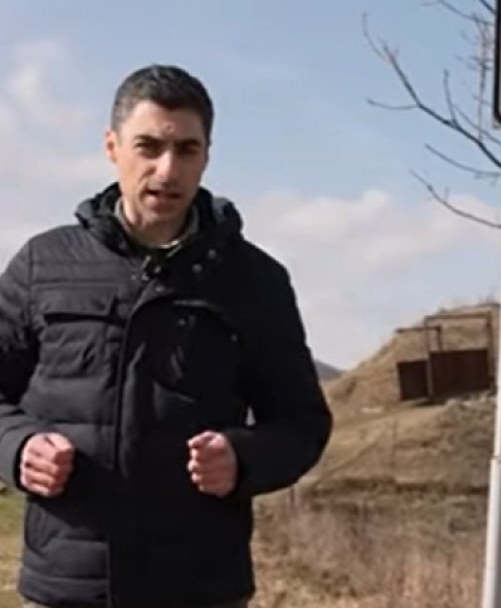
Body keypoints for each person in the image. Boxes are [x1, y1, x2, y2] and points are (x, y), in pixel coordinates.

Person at [0, 64, 334, 608]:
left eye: (186, 149)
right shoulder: (43, 264)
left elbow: (303, 423)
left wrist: (243, 458)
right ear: (113, 147)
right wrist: (19, 448)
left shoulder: (255, 281)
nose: (167, 169)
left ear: (207, 155)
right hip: (70, 586)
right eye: (149, 146)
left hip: (199, 585)